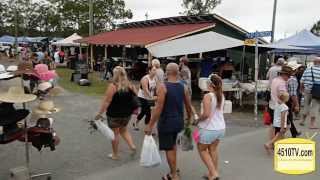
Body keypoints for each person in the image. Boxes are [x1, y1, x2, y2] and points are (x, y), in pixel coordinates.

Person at [145, 63, 192, 180]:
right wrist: (189, 119)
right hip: (179, 122)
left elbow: (158, 109)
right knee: (173, 146)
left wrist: (150, 125)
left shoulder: (162, 87)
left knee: (169, 149)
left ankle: (174, 175)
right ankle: (174, 169)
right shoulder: (184, 86)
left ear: (167, 72)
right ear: (178, 72)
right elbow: (188, 105)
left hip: (166, 123)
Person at [95, 66, 137, 160]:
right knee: (123, 130)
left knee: (115, 133)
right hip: (126, 114)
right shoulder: (129, 85)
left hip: (114, 115)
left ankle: (115, 154)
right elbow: (135, 96)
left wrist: (100, 113)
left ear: (115, 75)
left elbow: (107, 101)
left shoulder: (113, 86)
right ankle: (132, 146)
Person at [197, 74, 225, 180]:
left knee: (202, 150)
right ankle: (213, 172)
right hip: (220, 128)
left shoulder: (208, 96)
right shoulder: (221, 95)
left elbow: (206, 114)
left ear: (210, 84)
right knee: (213, 150)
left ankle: (213, 173)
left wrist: (197, 120)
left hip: (209, 129)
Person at [268, 65, 292, 140]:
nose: (289, 78)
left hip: (272, 104)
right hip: (279, 106)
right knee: (286, 126)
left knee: (273, 125)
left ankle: (272, 141)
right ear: (285, 75)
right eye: (288, 76)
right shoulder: (282, 83)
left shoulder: (275, 80)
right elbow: (282, 96)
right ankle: (274, 142)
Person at [133, 66, 157, 130]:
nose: (155, 71)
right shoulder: (145, 79)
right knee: (148, 113)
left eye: (155, 70)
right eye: (154, 70)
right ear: (149, 71)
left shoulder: (155, 78)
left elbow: (155, 89)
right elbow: (146, 90)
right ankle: (147, 128)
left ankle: (136, 122)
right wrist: (152, 98)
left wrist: (156, 95)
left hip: (150, 98)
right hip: (142, 97)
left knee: (144, 112)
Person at [300, 57, 320, 129]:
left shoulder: (308, 69)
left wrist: (301, 89)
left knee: (306, 105)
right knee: (315, 106)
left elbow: (302, 81)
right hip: (317, 91)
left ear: (314, 62)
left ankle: (302, 120)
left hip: (307, 90)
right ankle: (312, 124)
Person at [179, 56, 199, 122]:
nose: (179, 63)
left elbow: (183, 80)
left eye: (180, 61)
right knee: (188, 104)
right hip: (187, 89)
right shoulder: (186, 69)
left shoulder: (184, 70)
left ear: (183, 62)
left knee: (189, 104)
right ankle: (189, 117)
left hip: (185, 89)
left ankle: (195, 117)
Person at [286, 62, 302, 137]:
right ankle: (293, 133)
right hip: (288, 99)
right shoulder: (293, 79)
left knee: (289, 117)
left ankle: (294, 132)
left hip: (285, 98)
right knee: (288, 117)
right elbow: (293, 94)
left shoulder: (287, 78)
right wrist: (297, 104)